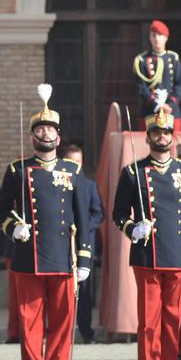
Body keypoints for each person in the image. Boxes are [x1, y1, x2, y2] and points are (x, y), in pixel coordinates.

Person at [0, 88, 94, 360]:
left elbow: (83, 218)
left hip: (64, 258)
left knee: (62, 325)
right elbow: (0, 209)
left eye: (49, 129)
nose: (45, 133)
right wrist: (14, 227)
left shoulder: (72, 171)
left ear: (58, 137)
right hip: (29, 257)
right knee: (31, 324)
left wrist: (85, 260)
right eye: (39, 129)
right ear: (32, 136)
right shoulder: (17, 169)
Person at [112, 103, 181, 360]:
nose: (161, 137)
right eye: (156, 132)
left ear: (172, 137)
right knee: (150, 320)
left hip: (176, 253)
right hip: (147, 254)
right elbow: (118, 214)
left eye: (165, 132)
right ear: (148, 137)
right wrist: (132, 228)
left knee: (173, 319)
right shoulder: (133, 173)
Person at [60, 142, 104, 344]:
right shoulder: (58, 182)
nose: (74, 165)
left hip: (83, 246)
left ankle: (86, 331)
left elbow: (98, 213)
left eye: (77, 161)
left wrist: (84, 227)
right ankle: (62, 332)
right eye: (70, 161)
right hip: (61, 244)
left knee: (84, 292)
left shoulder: (89, 185)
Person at [133, 20, 181, 127]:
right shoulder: (142, 60)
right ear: (150, 38)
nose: (156, 38)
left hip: (171, 111)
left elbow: (179, 85)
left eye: (160, 35)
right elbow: (141, 87)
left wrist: (169, 105)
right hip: (150, 111)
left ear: (166, 38)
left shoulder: (173, 58)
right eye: (153, 35)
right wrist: (156, 105)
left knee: (172, 142)